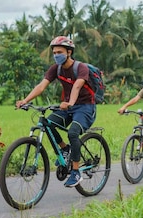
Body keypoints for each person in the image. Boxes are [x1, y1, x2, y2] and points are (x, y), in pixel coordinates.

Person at [16, 36, 96, 188]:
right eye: (54, 52)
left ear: (69, 52)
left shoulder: (81, 68)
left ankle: (76, 172)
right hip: (66, 106)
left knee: (73, 132)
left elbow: (77, 86)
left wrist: (71, 103)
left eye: (59, 52)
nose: (56, 55)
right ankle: (65, 149)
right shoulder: (56, 69)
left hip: (85, 106)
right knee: (49, 124)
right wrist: (25, 100)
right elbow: (41, 86)